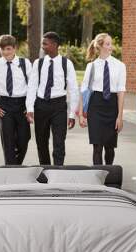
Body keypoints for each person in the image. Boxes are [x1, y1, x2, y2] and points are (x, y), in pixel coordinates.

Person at [26, 32, 79, 165]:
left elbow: (73, 89)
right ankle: (45, 170)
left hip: (59, 106)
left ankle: (58, 171)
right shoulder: (38, 63)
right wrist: (30, 107)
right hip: (41, 105)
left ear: (55, 45)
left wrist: (72, 113)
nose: (42, 46)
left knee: (59, 142)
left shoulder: (66, 64)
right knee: (41, 142)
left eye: (45, 43)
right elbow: (32, 86)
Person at [80, 33, 126, 165]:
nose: (111, 47)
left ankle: (109, 173)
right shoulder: (91, 66)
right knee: (97, 147)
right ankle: (98, 178)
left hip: (112, 106)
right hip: (95, 106)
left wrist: (119, 116)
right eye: (108, 44)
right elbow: (84, 90)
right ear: (100, 46)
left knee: (110, 147)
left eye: (111, 43)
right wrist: (81, 114)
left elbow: (121, 92)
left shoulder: (120, 65)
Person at [0, 35, 32, 165]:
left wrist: (30, 107)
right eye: (2, 49)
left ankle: (16, 165)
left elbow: (32, 86)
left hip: (22, 104)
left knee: (24, 139)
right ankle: (11, 169)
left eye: (8, 49)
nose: (5, 52)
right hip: (5, 105)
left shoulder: (25, 63)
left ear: (15, 48)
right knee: (8, 141)